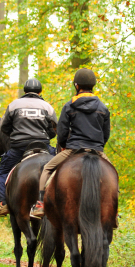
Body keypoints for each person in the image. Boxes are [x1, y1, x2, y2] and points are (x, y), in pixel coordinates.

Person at [30, 68, 111, 219]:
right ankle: (113, 211)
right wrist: (98, 147)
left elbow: (61, 132)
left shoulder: (69, 106)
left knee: (47, 169)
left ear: (76, 85)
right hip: (97, 150)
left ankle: (40, 204)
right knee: (113, 174)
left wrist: (64, 144)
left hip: (73, 149)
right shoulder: (103, 108)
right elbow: (106, 134)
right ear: (93, 85)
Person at [0, 78, 57, 217]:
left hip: (19, 147)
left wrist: (16, 134)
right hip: (43, 146)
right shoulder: (47, 106)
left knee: (2, 170)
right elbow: (54, 129)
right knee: (62, 167)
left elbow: (4, 127)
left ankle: (3, 203)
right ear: (40, 92)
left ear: (24, 91)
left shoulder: (13, 105)